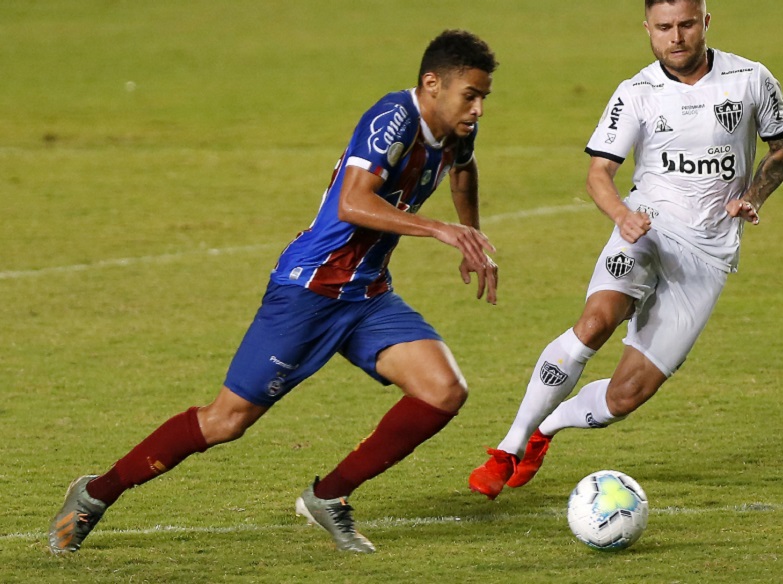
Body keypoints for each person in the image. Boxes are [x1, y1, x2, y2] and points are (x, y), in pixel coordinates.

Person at [49, 29, 500, 554]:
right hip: (309, 290)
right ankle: (94, 496)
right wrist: (442, 230)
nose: (478, 108)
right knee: (225, 421)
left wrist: (473, 235)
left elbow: (463, 172)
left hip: (367, 296)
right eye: (471, 95)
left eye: (484, 97)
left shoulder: (455, 130)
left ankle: (328, 497)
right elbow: (354, 202)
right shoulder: (393, 118)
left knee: (443, 390)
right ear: (432, 84)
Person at [468, 0, 783, 499]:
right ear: (647, 28)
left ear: (706, 22)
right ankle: (509, 445)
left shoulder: (751, 80)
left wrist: (752, 198)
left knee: (626, 396)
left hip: (709, 254)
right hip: (647, 228)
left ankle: (545, 432)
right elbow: (599, 173)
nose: (677, 37)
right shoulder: (636, 93)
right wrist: (622, 215)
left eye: (687, 24)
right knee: (596, 321)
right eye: (664, 27)